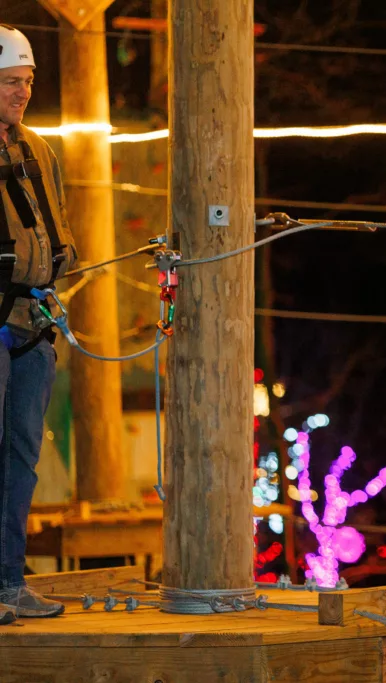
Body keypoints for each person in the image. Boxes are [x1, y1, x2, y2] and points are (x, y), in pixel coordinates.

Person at [0, 24, 78, 623]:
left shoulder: (39, 152)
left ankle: (9, 583)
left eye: (27, 81)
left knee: (22, 457)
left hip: (32, 320)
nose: (22, 92)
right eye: (9, 82)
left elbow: (59, 228)